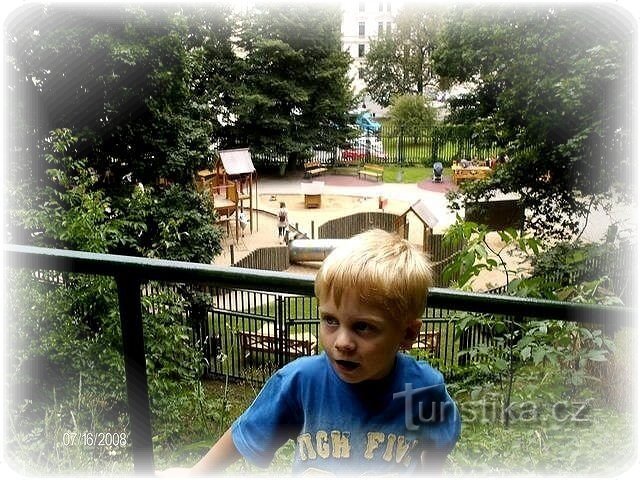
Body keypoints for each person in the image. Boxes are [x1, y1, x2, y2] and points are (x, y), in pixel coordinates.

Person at [157, 229, 460, 476]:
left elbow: (439, 441)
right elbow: (244, 433)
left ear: (407, 334)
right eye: (330, 320)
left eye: (363, 327)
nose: (342, 342)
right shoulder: (301, 382)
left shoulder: (425, 390)